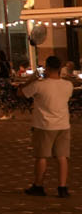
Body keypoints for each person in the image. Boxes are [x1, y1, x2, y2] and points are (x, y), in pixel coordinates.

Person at [23, 57, 75, 197]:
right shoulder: (67, 85)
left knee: (41, 156)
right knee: (62, 157)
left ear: (47, 68)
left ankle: (38, 185)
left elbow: (21, 93)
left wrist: (32, 79)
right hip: (63, 124)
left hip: (44, 125)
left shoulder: (40, 85)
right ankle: (62, 187)